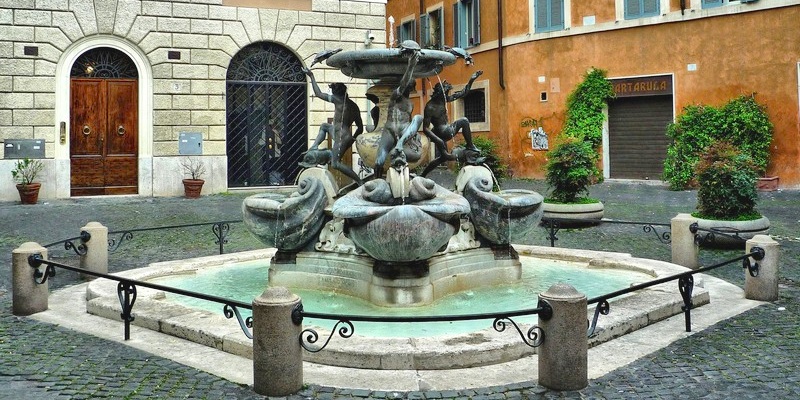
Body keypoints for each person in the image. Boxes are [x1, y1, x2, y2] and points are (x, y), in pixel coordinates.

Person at [301, 68, 364, 185]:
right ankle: (314, 146)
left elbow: (318, 94)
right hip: (344, 135)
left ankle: (359, 181)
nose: (332, 93)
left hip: (340, 137)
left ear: (336, 92)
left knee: (336, 163)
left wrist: (311, 76)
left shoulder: (337, 100)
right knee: (324, 126)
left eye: (333, 91)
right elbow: (360, 128)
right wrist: (352, 139)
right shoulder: (354, 106)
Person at [419, 70, 485, 177]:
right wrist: (439, 141)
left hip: (441, 131)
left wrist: (471, 80)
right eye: (445, 93)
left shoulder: (442, 100)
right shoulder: (430, 107)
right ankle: (470, 146)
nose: (447, 96)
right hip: (443, 133)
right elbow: (425, 128)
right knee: (464, 121)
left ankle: (422, 175)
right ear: (439, 93)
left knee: (444, 157)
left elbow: (463, 93)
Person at [374, 51, 424, 177]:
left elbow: (411, 120)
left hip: (404, 129)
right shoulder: (395, 96)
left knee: (418, 118)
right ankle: (376, 181)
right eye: (408, 86)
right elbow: (402, 84)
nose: (408, 88)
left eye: (410, 86)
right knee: (379, 161)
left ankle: (400, 144)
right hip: (390, 128)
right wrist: (411, 65)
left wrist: (415, 135)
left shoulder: (410, 103)